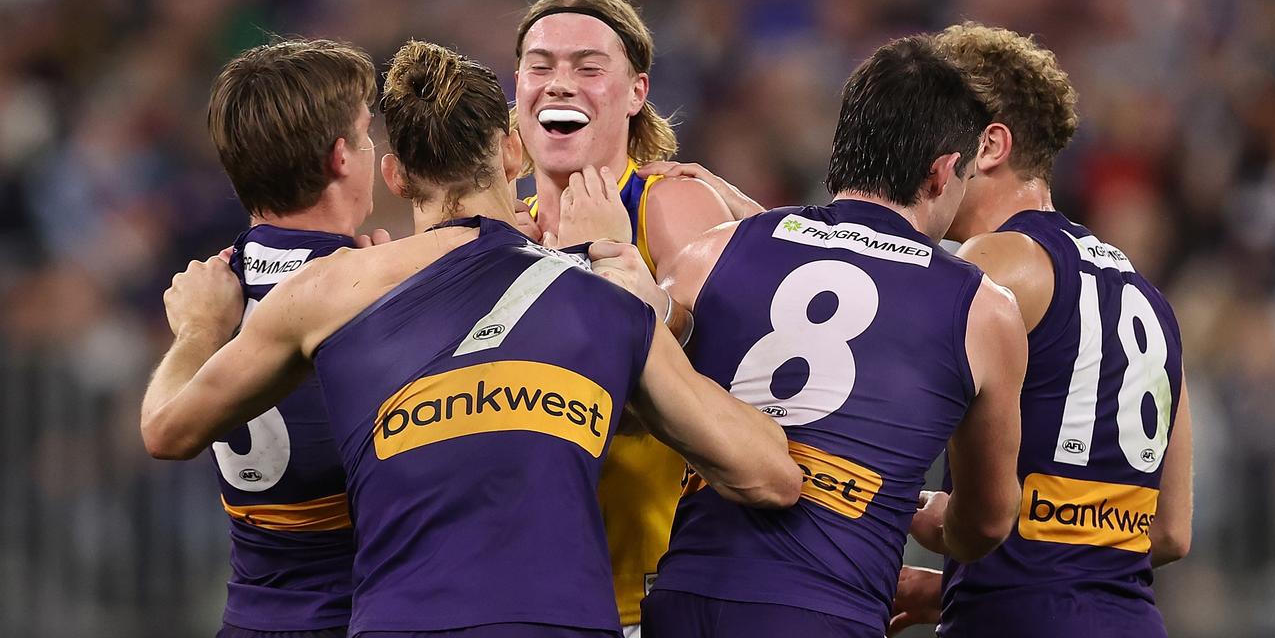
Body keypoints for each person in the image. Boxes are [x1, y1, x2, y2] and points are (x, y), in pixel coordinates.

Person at [141, 40, 801, 638]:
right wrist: (615, 264)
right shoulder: (599, 300)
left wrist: (200, 331)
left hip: (363, 618)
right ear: (512, 150)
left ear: (399, 177)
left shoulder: (325, 294)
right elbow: (768, 475)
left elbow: (167, 429)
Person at [640, 35, 1027, 637]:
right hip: (825, 613)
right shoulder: (984, 310)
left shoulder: (712, 252)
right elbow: (988, 522)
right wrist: (925, 521)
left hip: (683, 599)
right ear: (945, 171)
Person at [890, 23, 1192, 637]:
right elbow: (1169, 531)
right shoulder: (1151, 301)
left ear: (990, 145)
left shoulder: (993, 264)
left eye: (930, 127)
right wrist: (958, 584)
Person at [511, 0, 736, 632]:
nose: (558, 83)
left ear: (637, 91)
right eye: (539, 65)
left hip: (644, 605)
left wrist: (605, 267)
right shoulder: (502, 232)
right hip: (518, 599)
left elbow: (718, 376)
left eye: (588, 66)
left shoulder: (670, 204)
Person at [174, 38, 382, 638]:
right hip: (360, 616)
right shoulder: (375, 295)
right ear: (341, 157)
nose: (375, 151)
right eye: (367, 135)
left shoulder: (213, 287)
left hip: (249, 618)